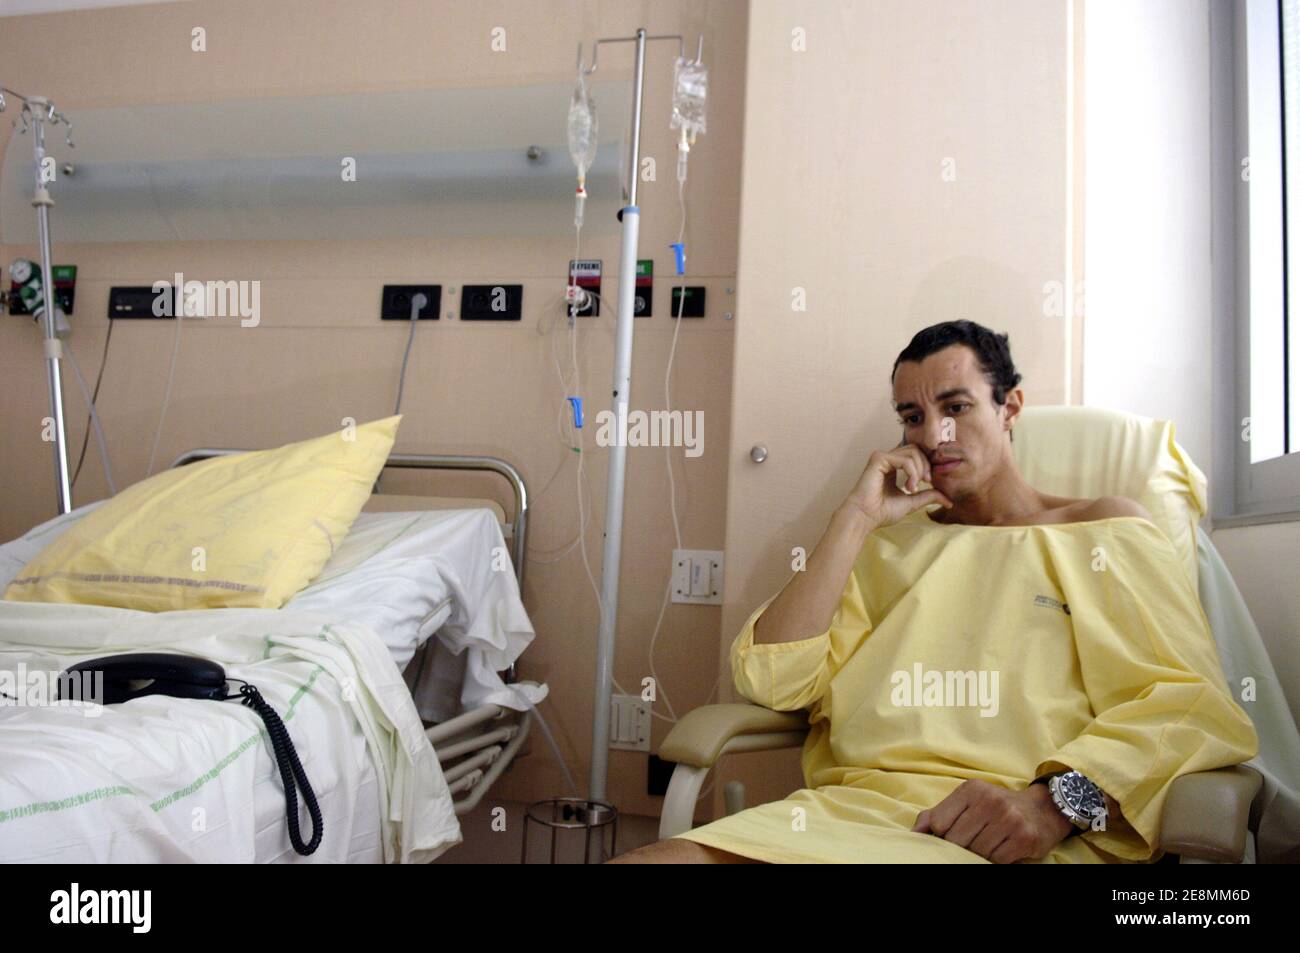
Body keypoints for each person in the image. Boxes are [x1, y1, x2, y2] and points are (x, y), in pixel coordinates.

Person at [608, 320, 1257, 864]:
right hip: (843, 818)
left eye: (956, 407)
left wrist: (1055, 802)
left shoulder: (1100, 528)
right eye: (913, 416)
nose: (933, 434)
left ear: (1011, 408)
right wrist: (855, 520)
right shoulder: (888, 547)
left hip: (1001, 832)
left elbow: (1189, 702)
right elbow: (775, 679)